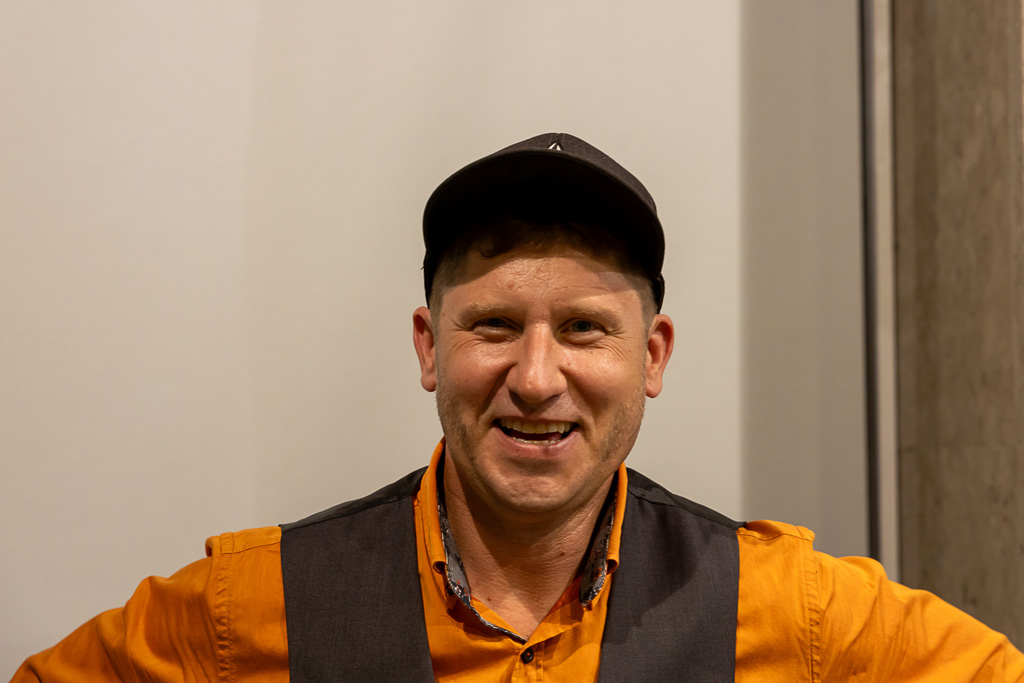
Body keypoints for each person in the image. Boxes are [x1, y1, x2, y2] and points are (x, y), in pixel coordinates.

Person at [11, 133, 1024, 682]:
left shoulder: (787, 609)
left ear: (652, 356)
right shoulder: (252, 607)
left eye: (584, 328)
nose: (537, 378)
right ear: (429, 346)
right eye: (494, 325)